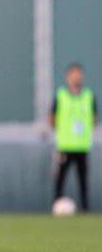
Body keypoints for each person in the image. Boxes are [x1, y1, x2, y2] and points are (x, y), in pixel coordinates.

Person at [50, 63, 97, 212]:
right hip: (65, 145)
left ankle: (85, 209)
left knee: (83, 180)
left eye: (79, 74)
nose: (77, 77)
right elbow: (52, 117)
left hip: (82, 145)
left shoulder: (88, 96)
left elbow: (94, 118)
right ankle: (57, 206)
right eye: (73, 74)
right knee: (60, 179)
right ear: (68, 77)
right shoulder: (61, 95)